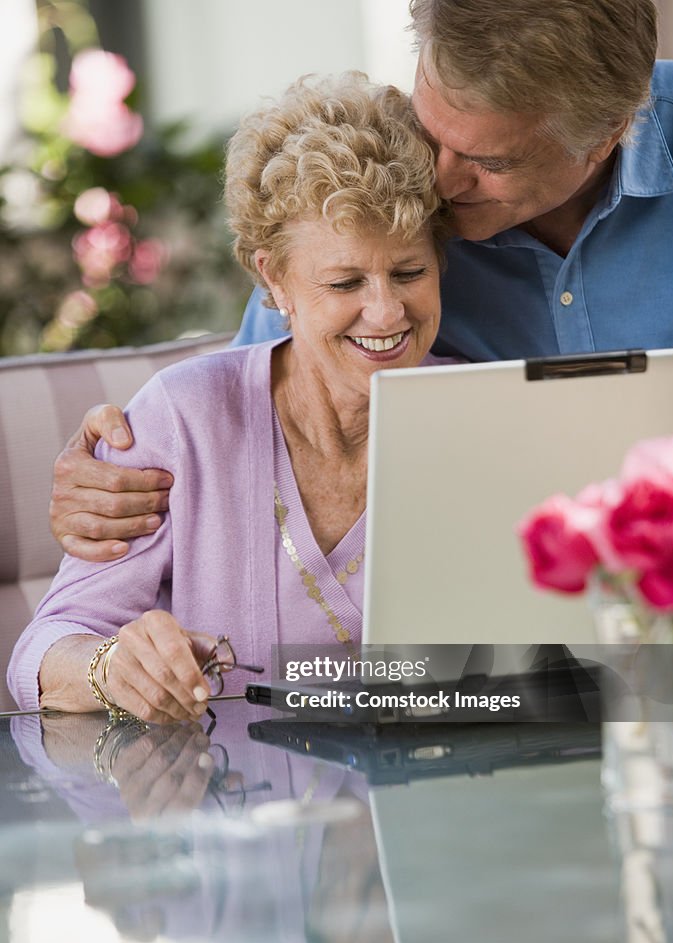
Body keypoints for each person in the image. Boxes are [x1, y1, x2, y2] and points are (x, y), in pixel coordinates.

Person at [49, 0, 673, 564]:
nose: (438, 181)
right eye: (432, 133)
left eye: (491, 164)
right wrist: (121, 473)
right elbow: (254, 407)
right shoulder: (392, 199)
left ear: (607, 135)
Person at [8, 72, 454, 719]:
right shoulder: (185, 417)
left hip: (443, 801)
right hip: (241, 808)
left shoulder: (480, 413)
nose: (385, 313)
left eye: (409, 272)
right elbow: (42, 655)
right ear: (273, 280)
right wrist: (112, 669)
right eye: (344, 282)